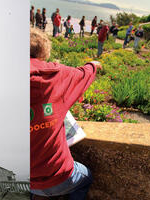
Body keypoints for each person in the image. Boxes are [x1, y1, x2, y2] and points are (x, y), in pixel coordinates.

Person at [30, 28, 102, 200]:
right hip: (60, 177)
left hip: (26, 182)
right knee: (86, 178)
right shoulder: (57, 75)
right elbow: (84, 74)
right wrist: (93, 65)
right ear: (44, 52)